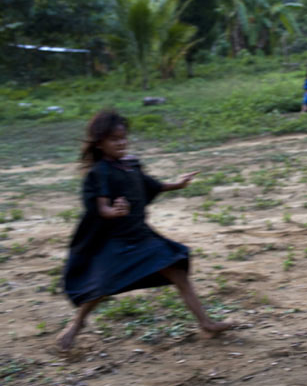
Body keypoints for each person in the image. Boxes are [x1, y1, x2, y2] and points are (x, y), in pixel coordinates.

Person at [57, 110, 233, 351]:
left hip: (141, 236)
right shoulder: (100, 172)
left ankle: (206, 323)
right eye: (114, 139)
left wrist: (177, 184)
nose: (121, 143)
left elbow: (150, 185)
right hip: (116, 241)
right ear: (99, 144)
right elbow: (102, 208)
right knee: (101, 285)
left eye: (123, 137)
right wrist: (114, 211)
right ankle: (76, 325)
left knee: (177, 272)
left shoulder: (130, 165)